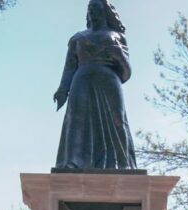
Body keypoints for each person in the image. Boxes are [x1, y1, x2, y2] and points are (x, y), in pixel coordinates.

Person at [53, 0, 138, 170]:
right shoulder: (77, 38)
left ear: (105, 11)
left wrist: (120, 56)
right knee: (77, 119)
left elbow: (126, 74)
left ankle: (122, 163)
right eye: (90, 8)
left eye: (96, 8)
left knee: (118, 119)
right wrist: (63, 89)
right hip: (81, 81)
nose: (92, 11)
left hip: (109, 81)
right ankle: (74, 161)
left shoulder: (118, 36)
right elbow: (69, 67)